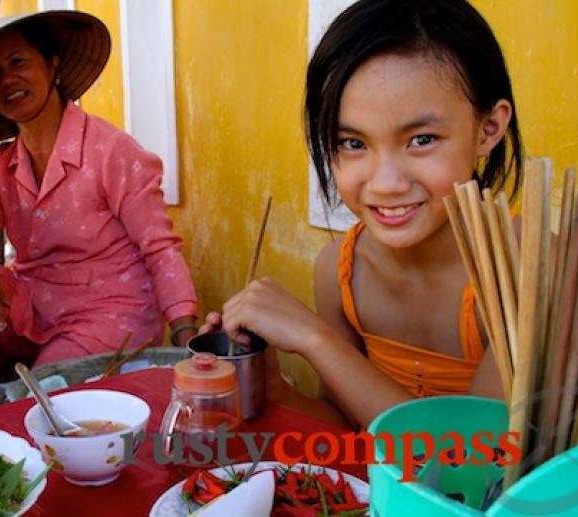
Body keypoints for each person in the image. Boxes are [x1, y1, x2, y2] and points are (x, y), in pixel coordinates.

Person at [203, 0, 523, 428]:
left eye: (422, 139)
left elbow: (465, 464)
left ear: (489, 129)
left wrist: (314, 338)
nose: (386, 182)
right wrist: (276, 389)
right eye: (353, 143)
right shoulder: (341, 271)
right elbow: (349, 428)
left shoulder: (521, 266)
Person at [0, 11, 198, 406]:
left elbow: (160, 249)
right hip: (35, 307)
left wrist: (187, 339)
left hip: (110, 315)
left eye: (18, 62)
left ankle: (4, 415)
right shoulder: (5, 164)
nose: (7, 79)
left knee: (40, 404)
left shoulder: (112, 151)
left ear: (53, 66)